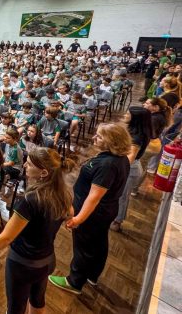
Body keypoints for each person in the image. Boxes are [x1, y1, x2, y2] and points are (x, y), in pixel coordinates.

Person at [0, 148, 75, 314]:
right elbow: (70, 214)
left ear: (43, 172)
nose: (25, 165)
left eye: (30, 164)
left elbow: (6, 238)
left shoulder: (30, 200)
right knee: (38, 301)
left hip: (24, 264)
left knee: (16, 308)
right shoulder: (64, 193)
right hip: (47, 260)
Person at [49, 123, 131, 294]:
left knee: (83, 246)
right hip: (106, 209)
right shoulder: (119, 158)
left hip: (93, 213)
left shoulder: (107, 165)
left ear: (112, 141)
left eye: (99, 136)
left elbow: (94, 196)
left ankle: (74, 281)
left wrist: (78, 219)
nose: (94, 138)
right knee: (99, 242)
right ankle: (92, 275)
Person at [110, 107, 152, 232]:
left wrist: (116, 170)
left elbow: (130, 157)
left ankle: (117, 221)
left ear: (136, 118)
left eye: (128, 113)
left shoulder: (137, 136)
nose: (125, 114)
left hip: (129, 170)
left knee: (122, 196)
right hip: (128, 168)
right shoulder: (135, 130)